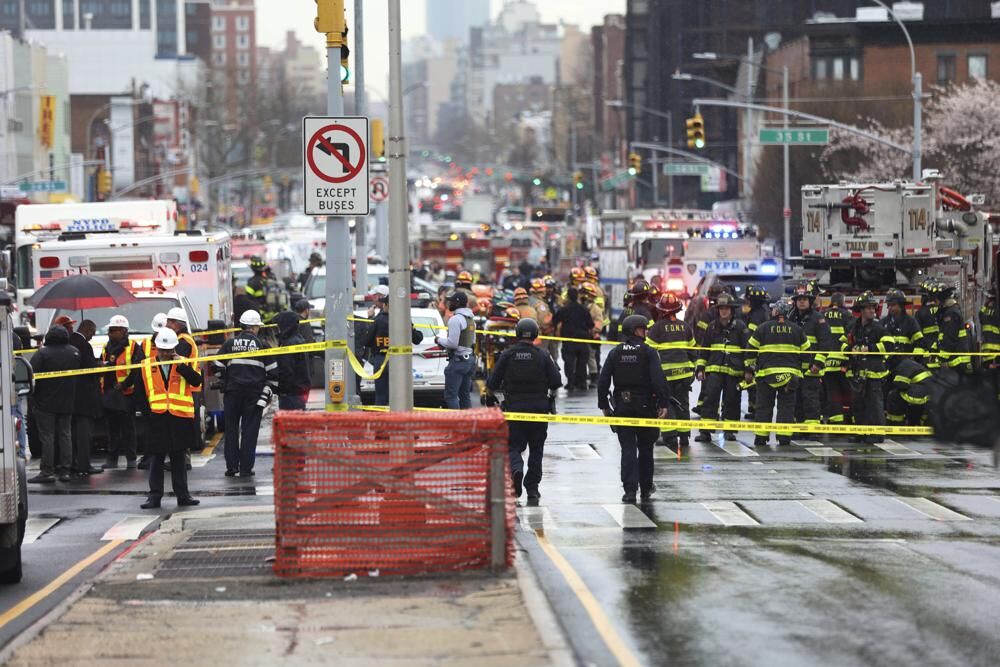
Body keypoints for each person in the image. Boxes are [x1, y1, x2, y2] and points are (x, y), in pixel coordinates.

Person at [598, 314, 671, 503]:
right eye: (643, 328)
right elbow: (658, 379)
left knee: (628, 449)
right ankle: (646, 488)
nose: (645, 331)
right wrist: (664, 403)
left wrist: (604, 405)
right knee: (646, 448)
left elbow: (603, 380)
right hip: (646, 406)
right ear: (634, 330)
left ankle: (629, 490)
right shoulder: (649, 352)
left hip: (622, 405)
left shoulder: (615, 352)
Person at [486, 318, 561, 502]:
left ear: (517, 333)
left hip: (514, 410)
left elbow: (492, 382)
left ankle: (516, 469)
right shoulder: (543, 355)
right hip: (538, 410)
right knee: (536, 449)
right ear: (536, 334)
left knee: (513, 446)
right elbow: (556, 381)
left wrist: (491, 396)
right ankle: (532, 488)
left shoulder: (507, 355)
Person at [132, 328, 202, 509]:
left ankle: (183, 495)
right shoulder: (145, 365)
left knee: (178, 458)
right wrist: (148, 414)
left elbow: (196, 381)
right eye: (162, 350)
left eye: (169, 350)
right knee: (156, 459)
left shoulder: (184, 363)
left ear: (174, 349)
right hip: (156, 418)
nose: (165, 354)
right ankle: (154, 496)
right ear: (156, 348)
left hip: (179, 417)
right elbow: (139, 393)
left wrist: (182, 367)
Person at [212, 310, 278, 477]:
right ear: (255, 327)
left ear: (242, 326)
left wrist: (225, 380)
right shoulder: (263, 346)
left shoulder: (230, 344)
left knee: (231, 430)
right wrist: (266, 393)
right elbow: (274, 374)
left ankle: (232, 467)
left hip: (232, 393)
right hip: (253, 395)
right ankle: (246, 469)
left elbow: (216, 366)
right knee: (249, 432)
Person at [746, 298, 808, 448]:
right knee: (786, 407)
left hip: (766, 376)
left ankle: (761, 438)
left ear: (776, 311)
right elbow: (807, 354)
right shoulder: (797, 329)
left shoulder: (763, 328)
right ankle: (784, 438)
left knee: (764, 406)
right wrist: (802, 371)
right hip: (789, 377)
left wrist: (750, 369)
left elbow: (750, 351)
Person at [28, 325, 80, 483]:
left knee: (47, 437)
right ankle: (65, 470)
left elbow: (30, 374)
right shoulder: (74, 352)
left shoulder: (42, 353)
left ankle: (47, 471)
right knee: (65, 435)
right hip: (67, 401)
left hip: (45, 403)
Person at [645, 292, 697, 448]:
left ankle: (670, 436)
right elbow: (693, 350)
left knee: (666, 404)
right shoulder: (685, 327)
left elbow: (649, 352)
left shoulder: (657, 328)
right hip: (684, 374)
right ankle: (684, 436)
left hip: (666, 376)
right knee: (683, 404)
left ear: (661, 310)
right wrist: (692, 369)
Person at [695, 293, 747, 442]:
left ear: (732, 310)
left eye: (727, 308)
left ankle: (729, 431)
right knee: (710, 399)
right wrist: (700, 368)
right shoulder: (712, 327)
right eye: (721, 308)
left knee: (732, 400)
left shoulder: (740, 327)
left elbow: (747, 350)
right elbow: (704, 349)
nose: (724, 311)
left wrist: (748, 370)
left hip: (734, 372)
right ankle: (705, 431)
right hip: (714, 370)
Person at [362, 294, 424, 406]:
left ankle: (381, 421)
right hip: (400, 363)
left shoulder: (378, 320)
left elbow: (366, 341)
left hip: (381, 361)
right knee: (400, 397)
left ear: (385, 305)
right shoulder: (403, 320)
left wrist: (370, 319)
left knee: (381, 396)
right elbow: (417, 338)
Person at [101, 315, 145, 469]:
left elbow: (137, 370)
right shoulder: (107, 346)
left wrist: (125, 384)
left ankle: (131, 459)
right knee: (112, 428)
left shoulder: (133, 347)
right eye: (110, 330)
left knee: (128, 428)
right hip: (110, 393)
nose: (110, 333)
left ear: (123, 331)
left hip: (127, 393)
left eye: (113, 330)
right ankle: (112, 459)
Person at [844, 291, 889, 443]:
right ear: (861, 310)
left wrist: (870, 348)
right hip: (857, 372)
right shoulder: (853, 327)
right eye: (868, 308)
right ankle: (860, 432)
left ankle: (877, 434)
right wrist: (849, 350)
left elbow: (889, 345)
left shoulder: (878, 327)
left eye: (873, 308)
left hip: (873, 373)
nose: (872, 311)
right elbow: (843, 343)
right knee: (858, 404)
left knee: (875, 404)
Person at [788, 282, 832, 429]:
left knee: (811, 399)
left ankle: (812, 429)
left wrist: (818, 364)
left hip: (812, 368)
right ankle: (799, 427)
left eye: (804, 299)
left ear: (810, 301)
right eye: (799, 298)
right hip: (794, 368)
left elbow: (825, 342)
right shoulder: (790, 318)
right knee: (795, 399)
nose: (801, 301)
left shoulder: (818, 319)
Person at [68, 319, 103, 478]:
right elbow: (89, 369)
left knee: (73, 433)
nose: (93, 337)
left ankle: (74, 463)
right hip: (85, 398)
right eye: (93, 333)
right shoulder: (84, 345)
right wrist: (100, 366)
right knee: (84, 434)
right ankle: (84, 464)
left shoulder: (70, 341)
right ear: (87, 330)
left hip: (73, 397)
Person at [436, 291, 477, 409]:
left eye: (451, 301)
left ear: (457, 303)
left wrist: (438, 340)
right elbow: (472, 341)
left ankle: (457, 424)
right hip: (469, 361)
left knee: (451, 396)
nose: (449, 303)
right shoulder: (470, 319)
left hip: (458, 362)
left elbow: (452, 344)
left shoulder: (455, 319)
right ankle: (467, 423)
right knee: (464, 395)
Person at [552, 287, 594, 392]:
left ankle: (570, 383)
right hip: (582, 340)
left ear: (568, 297)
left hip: (568, 340)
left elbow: (555, 320)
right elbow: (591, 324)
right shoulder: (584, 309)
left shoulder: (564, 309)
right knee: (582, 363)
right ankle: (582, 383)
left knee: (569, 362)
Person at [740, 285, 772, 420]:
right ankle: (753, 408)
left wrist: (748, 358)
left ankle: (755, 409)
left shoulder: (755, 315)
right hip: (763, 353)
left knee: (753, 382)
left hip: (757, 354)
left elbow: (751, 338)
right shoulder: (763, 311)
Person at [822, 292, 855, 424]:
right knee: (847, 390)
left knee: (832, 392)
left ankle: (835, 420)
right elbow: (850, 336)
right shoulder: (847, 315)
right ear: (843, 302)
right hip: (842, 359)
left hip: (827, 359)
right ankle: (849, 417)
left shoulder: (823, 314)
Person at [880, 289, 924, 374]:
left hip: (905, 365)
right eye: (888, 305)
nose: (889, 308)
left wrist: (913, 358)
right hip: (887, 365)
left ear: (901, 305)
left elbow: (920, 343)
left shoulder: (910, 321)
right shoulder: (883, 322)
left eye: (892, 305)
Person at [274, 311, 312, 410]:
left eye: (279, 325)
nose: (277, 329)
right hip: (299, 391)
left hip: (291, 394)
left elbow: (286, 371)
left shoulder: (289, 344)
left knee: (289, 423)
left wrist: (280, 390)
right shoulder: (298, 339)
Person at [935, 282, 973, 375]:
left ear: (942, 299)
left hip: (957, 363)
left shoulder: (950, 314)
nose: (935, 303)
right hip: (958, 361)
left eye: (936, 300)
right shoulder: (952, 310)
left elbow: (949, 338)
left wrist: (941, 358)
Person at [886, 357, 933, 426]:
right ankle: (915, 422)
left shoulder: (902, 366)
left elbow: (900, 384)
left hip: (919, 393)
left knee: (893, 396)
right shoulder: (911, 363)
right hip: (930, 393)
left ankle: (896, 423)